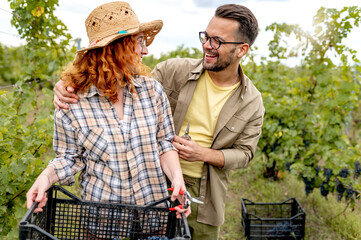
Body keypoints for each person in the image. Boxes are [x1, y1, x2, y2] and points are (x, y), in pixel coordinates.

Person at [53, 3, 264, 240]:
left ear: (242, 49)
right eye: (206, 36)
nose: (206, 45)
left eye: (217, 41)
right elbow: (121, 82)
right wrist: (70, 82)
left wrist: (202, 154)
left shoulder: (251, 101)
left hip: (206, 193)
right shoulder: (174, 71)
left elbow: (245, 154)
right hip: (154, 184)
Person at [26, 1, 190, 233]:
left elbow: (164, 144)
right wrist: (44, 178)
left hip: (153, 215)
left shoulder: (152, 91)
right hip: (102, 223)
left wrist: (177, 179)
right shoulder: (73, 102)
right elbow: (70, 157)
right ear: (115, 48)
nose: (146, 50)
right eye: (139, 42)